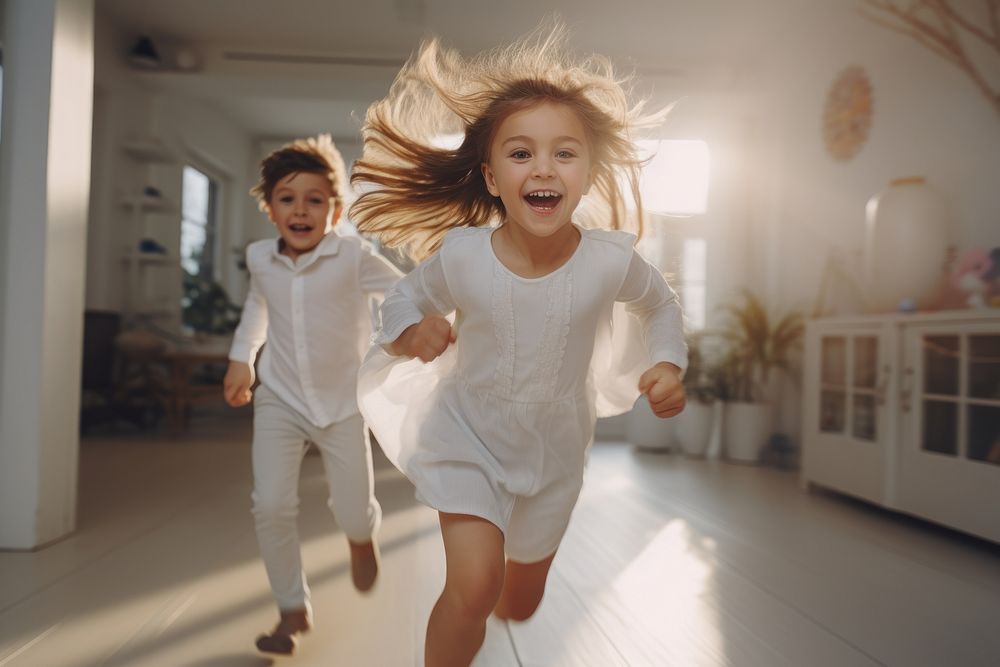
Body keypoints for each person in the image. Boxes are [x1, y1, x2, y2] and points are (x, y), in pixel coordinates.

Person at [349, 24, 688, 666]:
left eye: (565, 153)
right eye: (521, 153)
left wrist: (667, 362)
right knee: (474, 586)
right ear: (492, 176)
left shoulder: (610, 261)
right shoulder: (464, 256)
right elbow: (401, 301)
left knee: (519, 599)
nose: (543, 168)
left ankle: (503, 599)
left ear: (588, 173)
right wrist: (412, 330)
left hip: (556, 450)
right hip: (467, 435)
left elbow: (660, 304)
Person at [223, 135, 402, 656]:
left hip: (343, 401)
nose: (300, 209)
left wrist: (426, 326)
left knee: (351, 506)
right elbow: (257, 309)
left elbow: (402, 292)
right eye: (287, 198)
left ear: (335, 209)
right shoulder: (261, 259)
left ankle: (360, 536)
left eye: (314, 199)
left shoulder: (352, 257)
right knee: (271, 504)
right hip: (280, 396)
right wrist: (243, 357)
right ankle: (291, 610)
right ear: (270, 208)